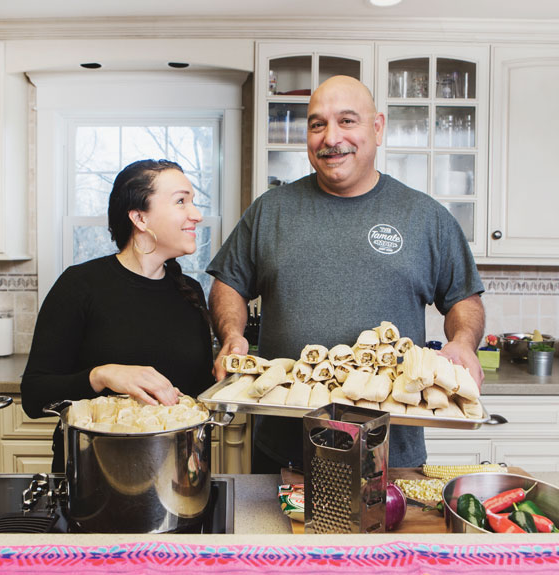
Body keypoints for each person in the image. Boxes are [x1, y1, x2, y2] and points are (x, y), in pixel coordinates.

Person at [207, 76, 486, 473]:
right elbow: (229, 283)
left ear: (377, 127)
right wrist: (231, 335)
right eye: (317, 124)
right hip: (282, 448)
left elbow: (463, 298)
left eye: (347, 121)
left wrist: (463, 341)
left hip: (389, 452)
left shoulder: (425, 217)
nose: (330, 137)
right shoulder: (271, 211)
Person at [21, 159, 215, 472]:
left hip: (176, 479)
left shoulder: (189, 291)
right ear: (140, 217)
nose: (196, 214)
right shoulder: (79, 286)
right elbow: (33, 396)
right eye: (181, 201)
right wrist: (103, 375)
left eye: (192, 201)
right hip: (94, 478)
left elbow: (199, 398)